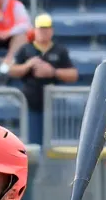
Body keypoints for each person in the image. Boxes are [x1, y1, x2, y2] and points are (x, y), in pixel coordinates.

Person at [9, 14, 77, 146]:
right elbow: (12, 70)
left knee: (53, 143)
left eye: (46, 29)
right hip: (31, 104)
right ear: (35, 30)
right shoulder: (26, 49)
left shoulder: (59, 50)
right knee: (33, 142)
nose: (43, 32)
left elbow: (73, 74)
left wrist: (53, 71)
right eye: (40, 29)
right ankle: (34, 166)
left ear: (51, 31)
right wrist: (27, 65)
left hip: (53, 105)